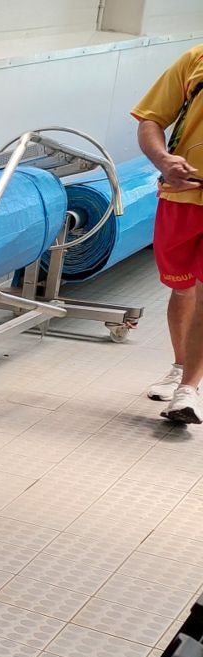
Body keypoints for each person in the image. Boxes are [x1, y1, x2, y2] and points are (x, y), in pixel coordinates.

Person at [134, 42, 203, 424]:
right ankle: (180, 368)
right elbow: (149, 120)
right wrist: (162, 159)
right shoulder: (195, 59)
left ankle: (189, 391)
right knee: (181, 287)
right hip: (181, 196)